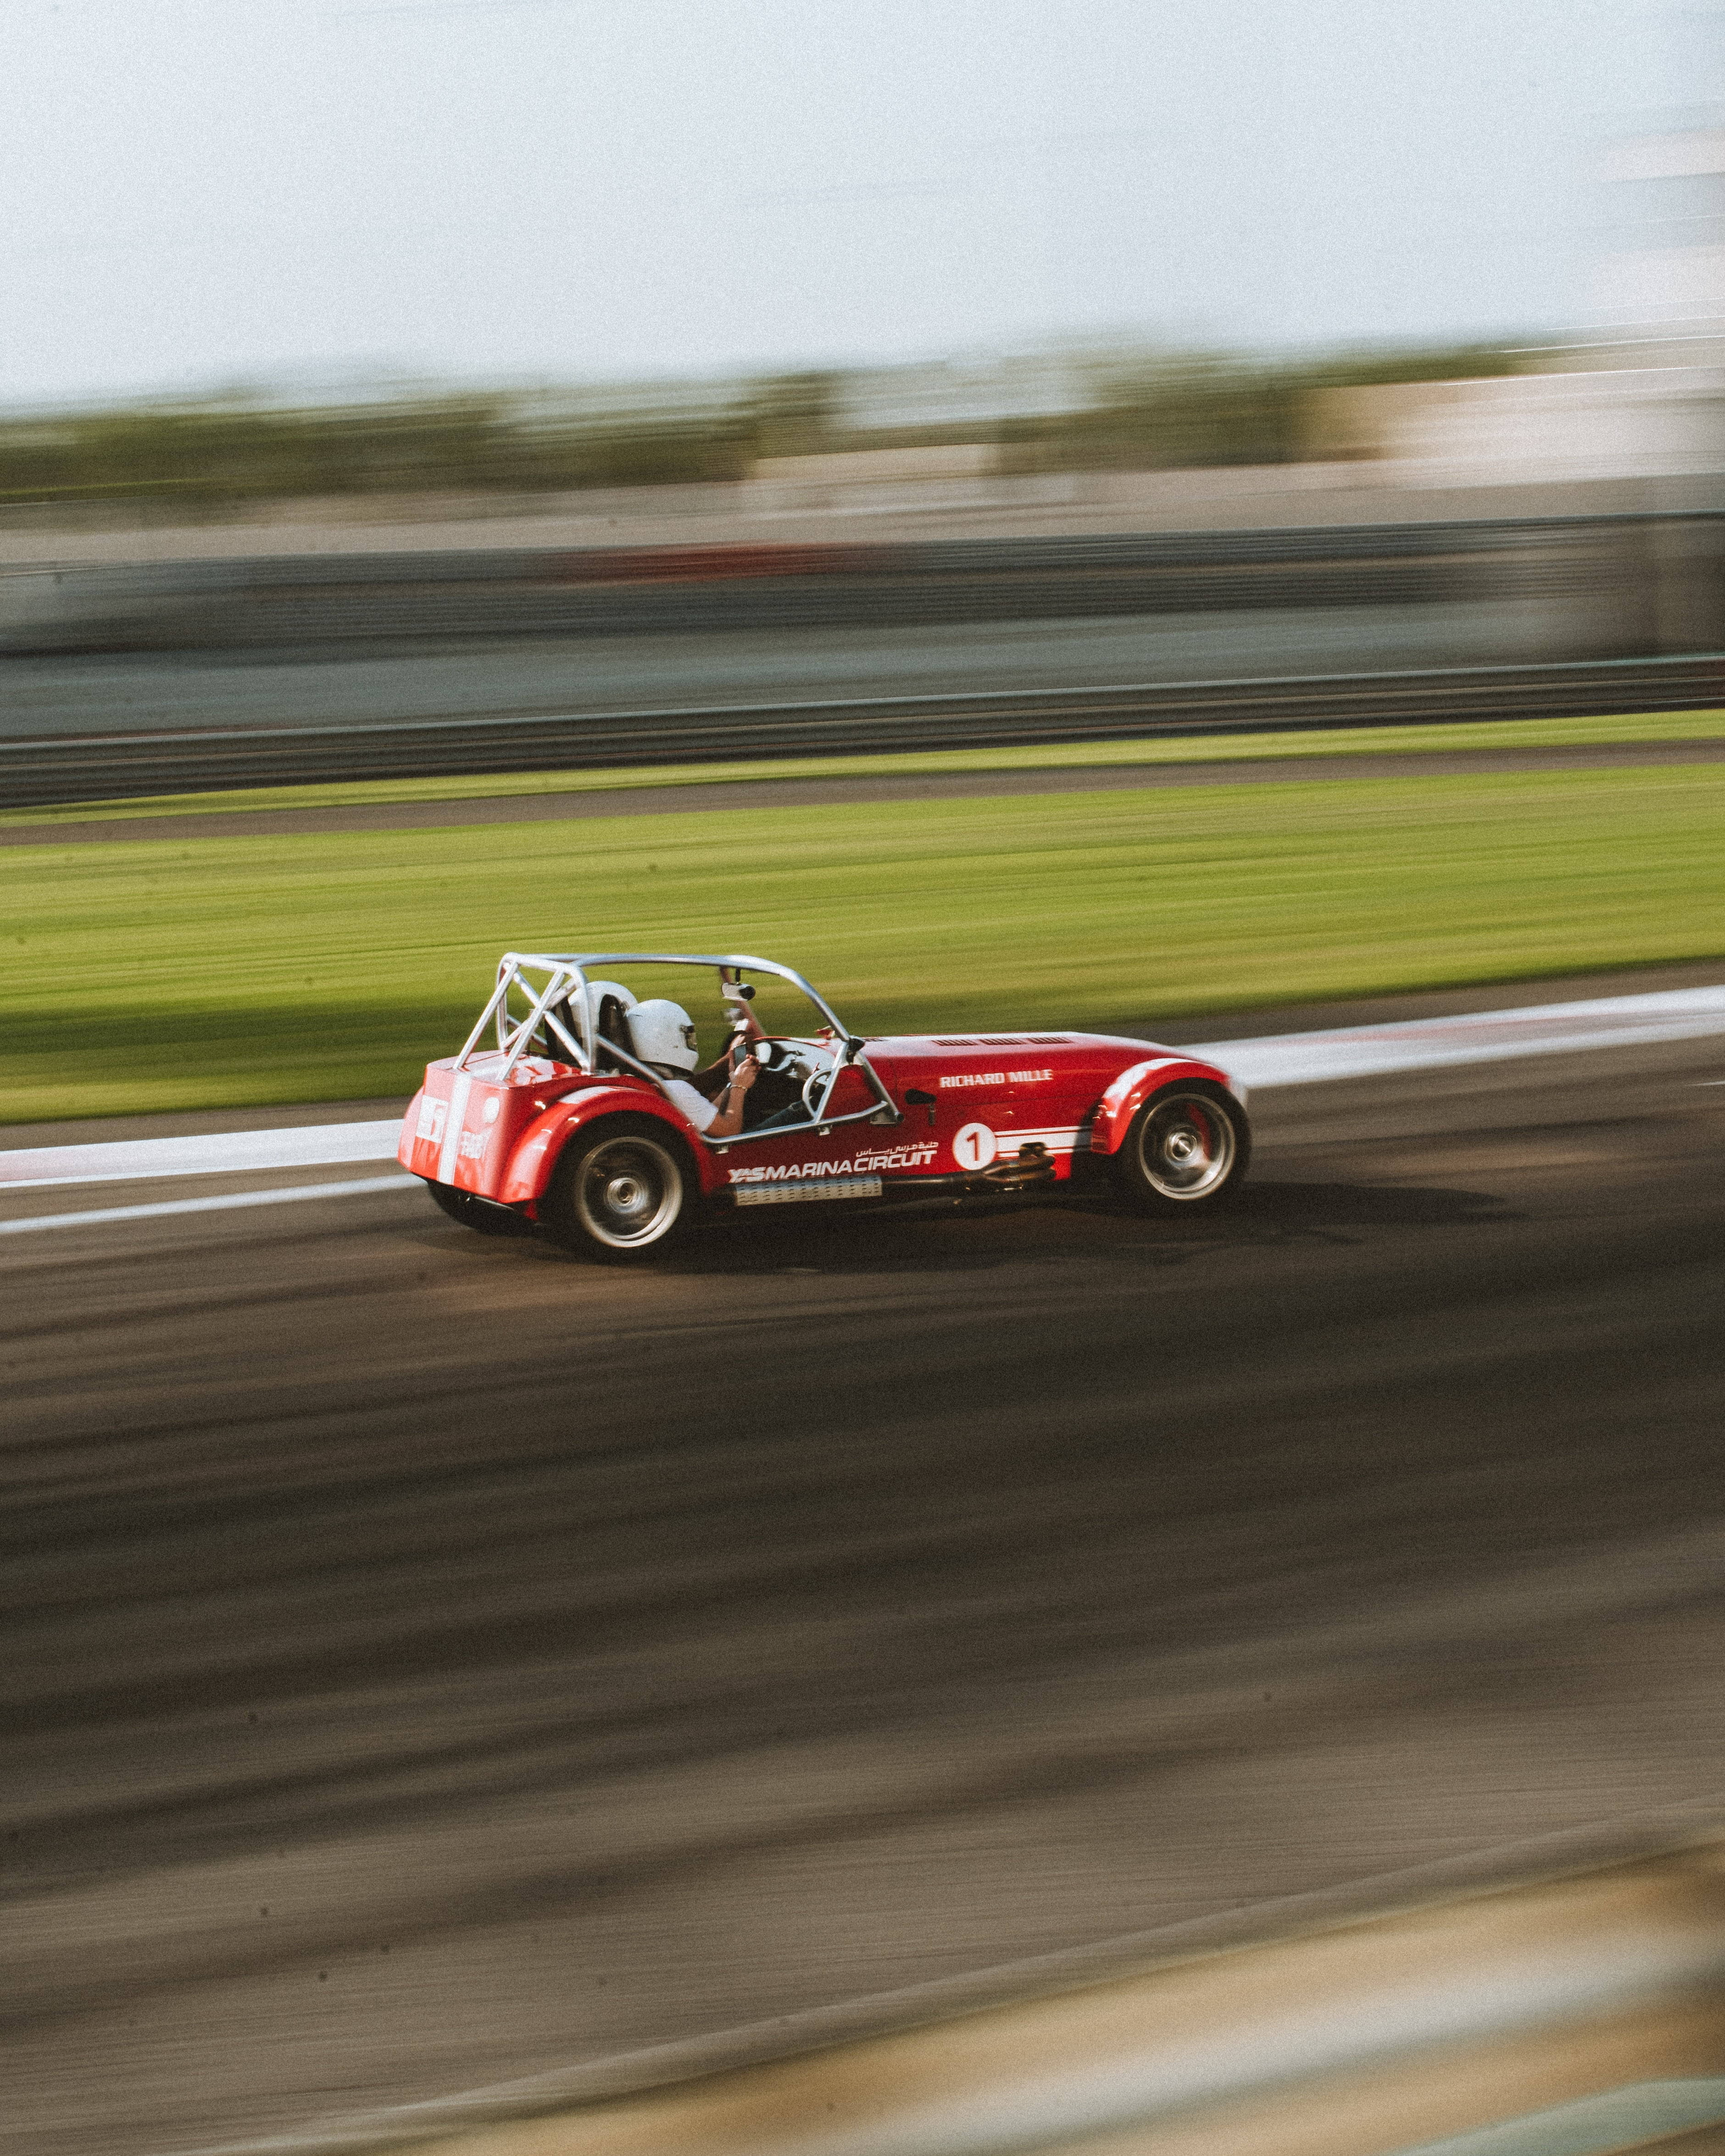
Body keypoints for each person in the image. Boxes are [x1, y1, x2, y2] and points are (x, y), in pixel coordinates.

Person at [626, 998, 758, 1139]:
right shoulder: (677, 1090)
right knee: (786, 1115)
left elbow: (707, 1115)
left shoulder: (639, 1084)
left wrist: (733, 1082)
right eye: (687, 1036)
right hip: (724, 1156)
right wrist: (739, 1088)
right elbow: (730, 1131)